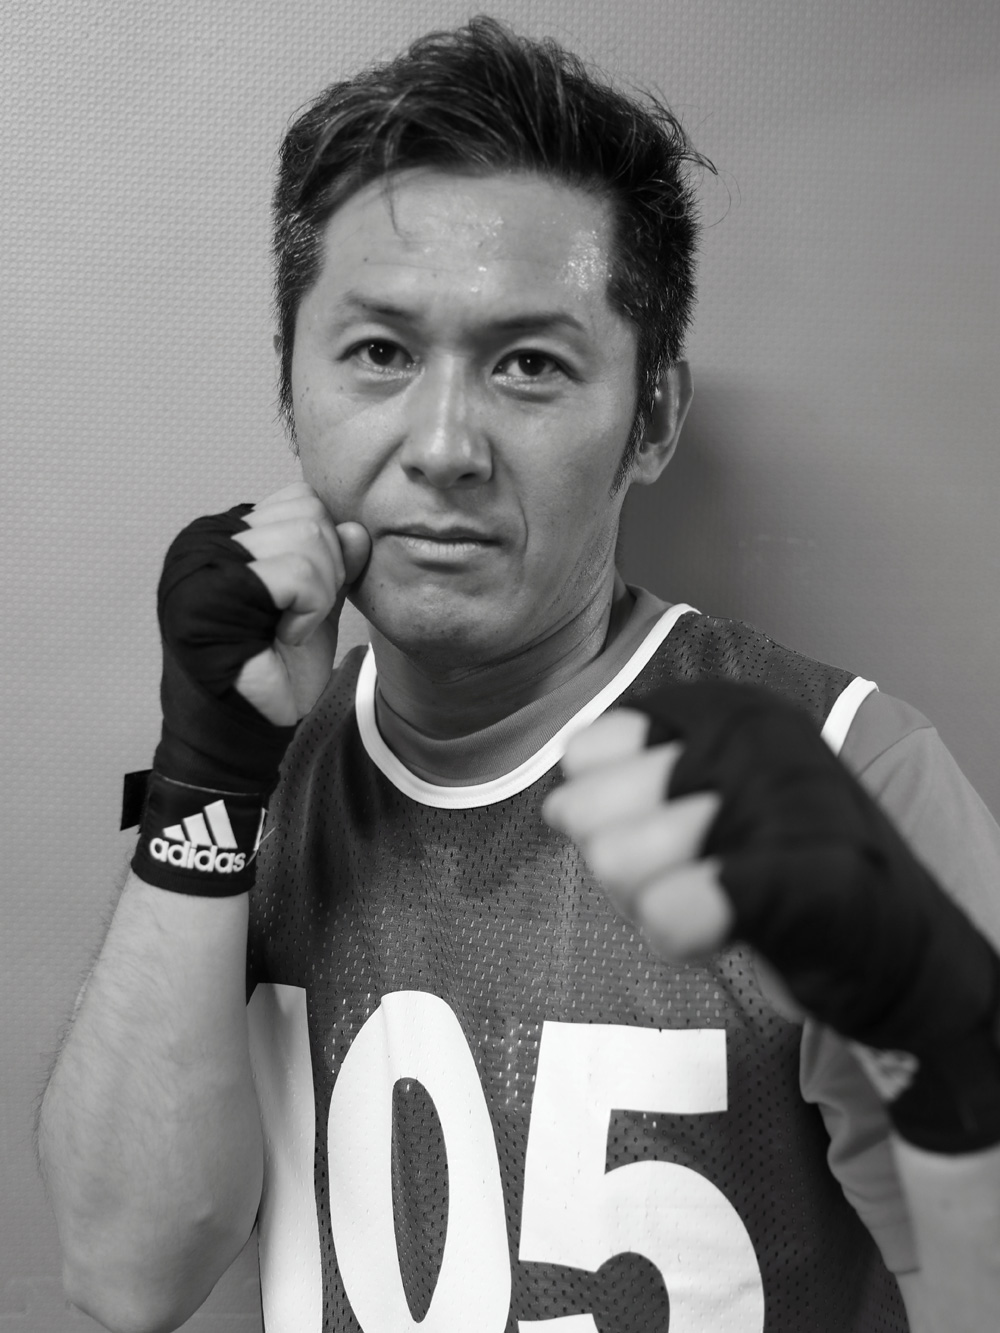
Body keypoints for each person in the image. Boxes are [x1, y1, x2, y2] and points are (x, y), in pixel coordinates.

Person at [36, 16, 1000, 1333]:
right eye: (381, 353)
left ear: (652, 418)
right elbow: (122, 1273)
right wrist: (207, 772)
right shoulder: (251, 776)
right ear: (291, 390)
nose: (443, 445)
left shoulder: (850, 767)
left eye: (530, 364)